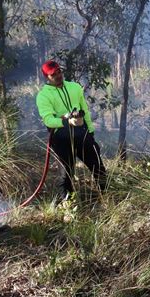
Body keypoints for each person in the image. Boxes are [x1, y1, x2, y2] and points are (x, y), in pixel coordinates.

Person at [36, 60, 106, 201]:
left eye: (58, 72)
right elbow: (48, 120)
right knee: (66, 172)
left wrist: (90, 131)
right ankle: (66, 205)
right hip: (61, 137)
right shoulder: (43, 96)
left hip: (81, 132)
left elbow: (84, 109)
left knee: (97, 165)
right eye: (53, 74)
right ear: (47, 77)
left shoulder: (74, 87)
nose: (57, 75)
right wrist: (66, 121)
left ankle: (106, 196)